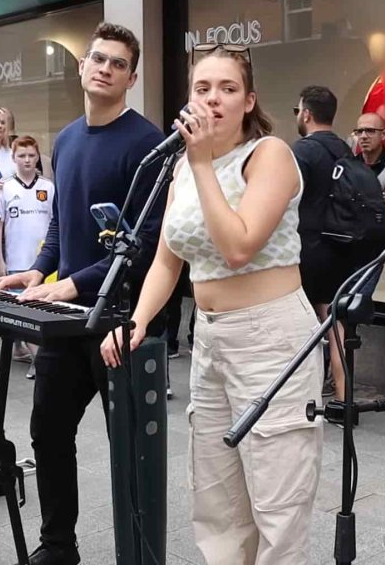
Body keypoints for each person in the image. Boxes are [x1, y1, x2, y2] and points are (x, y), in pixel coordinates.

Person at [100, 44, 324, 565]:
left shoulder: (268, 155)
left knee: (277, 502)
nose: (213, 99)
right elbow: (166, 261)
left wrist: (202, 163)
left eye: (227, 89)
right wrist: (137, 321)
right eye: (202, 89)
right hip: (212, 336)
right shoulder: (180, 166)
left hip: (272, 336)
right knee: (217, 499)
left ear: (249, 100)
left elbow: (239, 245)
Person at [0, 22, 165, 565]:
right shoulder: (64, 140)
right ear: (83, 67)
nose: (105, 68)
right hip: (65, 319)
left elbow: (147, 242)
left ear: (131, 78)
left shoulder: (148, 144)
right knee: (48, 431)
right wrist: (38, 272)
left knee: (130, 451)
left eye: (117, 63)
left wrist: (71, 281)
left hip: (124, 321)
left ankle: (136, 554)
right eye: (98, 59)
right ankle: (58, 547)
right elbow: (62, 227)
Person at [291, 85, 356, 400]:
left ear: (306, 113)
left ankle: (305, 395)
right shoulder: (345, 150)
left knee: (301, 322)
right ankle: (344, 398)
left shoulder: (302, 150)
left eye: (297, 110)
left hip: (306, 247)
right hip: (340, 246)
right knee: (335, 323)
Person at [0, 134, 54, 377]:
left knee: (40, 311)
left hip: (41, 263)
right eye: (22, 156)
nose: (27, 160)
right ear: (13, 158)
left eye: (31, 155)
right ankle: (37, 359)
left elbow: (56, 223)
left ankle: (37, 357)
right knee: (22, 312)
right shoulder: (5, 187)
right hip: (16, 261)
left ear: (38, 157)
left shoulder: (47, 187)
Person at [352, 111, 385, 298]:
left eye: (370, 131)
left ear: (383, 135)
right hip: (345, 248)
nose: (363, 136)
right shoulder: (348, 165)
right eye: (359, 131)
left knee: (355, 304)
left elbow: (384, 213)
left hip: (372, 252)